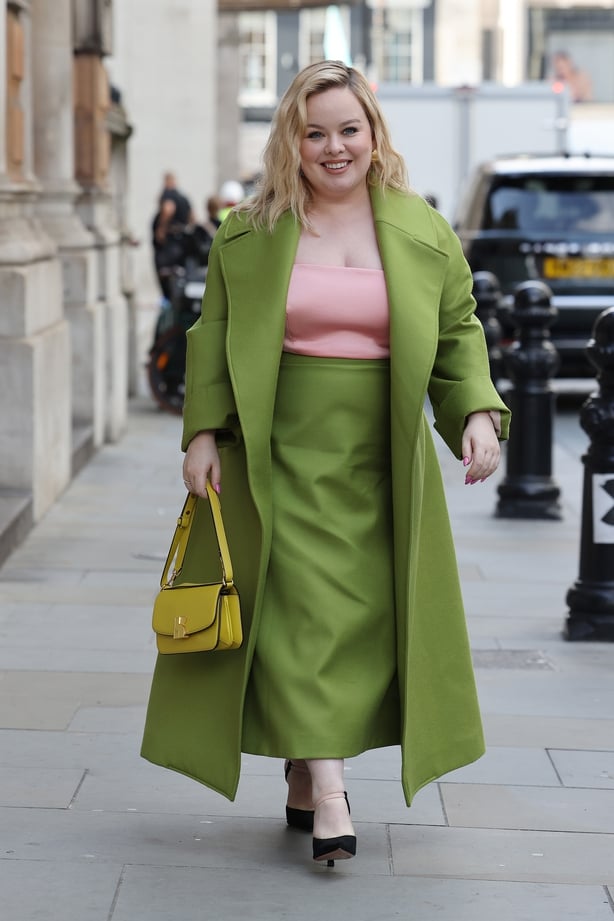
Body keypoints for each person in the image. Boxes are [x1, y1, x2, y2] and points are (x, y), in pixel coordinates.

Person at [141, 60, 511, 867]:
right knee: (302, 612)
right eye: (315, 132)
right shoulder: (249, 230)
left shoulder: (420, 228)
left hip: (383, 453)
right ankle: (333, 790)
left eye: (350, 129)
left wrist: (477, 413)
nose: (334, 146)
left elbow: (456, 331)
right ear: (292, 141)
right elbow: (212, 331)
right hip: (276, 449)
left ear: (374, 135)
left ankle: (306, 776)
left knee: (357, 622)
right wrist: (202, 432)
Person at [151, 171, 194, 299]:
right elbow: (192, 217)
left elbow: (168, 209)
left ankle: (169, 302)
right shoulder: (183, 197)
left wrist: (161, 229)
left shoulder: (168, 194)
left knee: (165, 275)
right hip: (181, 244)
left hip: (170, 245)